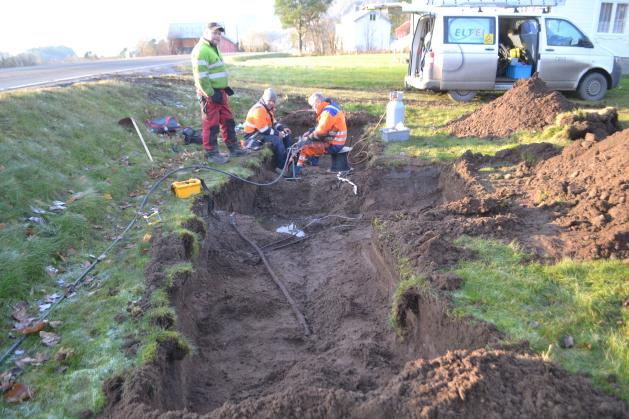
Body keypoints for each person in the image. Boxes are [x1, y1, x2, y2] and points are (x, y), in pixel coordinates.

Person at [191, 22, 246, 164]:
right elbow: (200, 77)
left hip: (221, 93)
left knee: (228, 121)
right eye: (214, 33)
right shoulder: (201, 50)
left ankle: (233, 148)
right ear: (206, 33)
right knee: (211, 124)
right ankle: (212, 153)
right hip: (210, 95)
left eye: (219, 34)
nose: (217, 36)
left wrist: (224, 87)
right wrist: (210, 93)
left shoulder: (213, 48)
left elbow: (215, 72)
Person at [293, 92, 347, 176]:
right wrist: (311, 132)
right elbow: (324, 126)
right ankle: (312, 165)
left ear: (318, 102)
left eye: (313, 105)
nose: (313, 108)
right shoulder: (330, 108)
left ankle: (295, 173)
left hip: (333, 144)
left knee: (303, 148)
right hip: (334, 139)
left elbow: (320, 132)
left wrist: (307, 138)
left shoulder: (328, 113)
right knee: (312, 141)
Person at [243, 88, 293, 169]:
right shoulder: (258, 110)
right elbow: (263, 129)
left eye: (273, 101)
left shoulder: (268, 108)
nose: (271, 103)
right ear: (264, 99)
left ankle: (289, 160)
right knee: (277, 140)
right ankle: (281, 167)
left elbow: (274, 122)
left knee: (286, 135)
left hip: (261, 132)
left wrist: (282, 129)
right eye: (269, 100)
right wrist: (277, 133)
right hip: (253, 135)